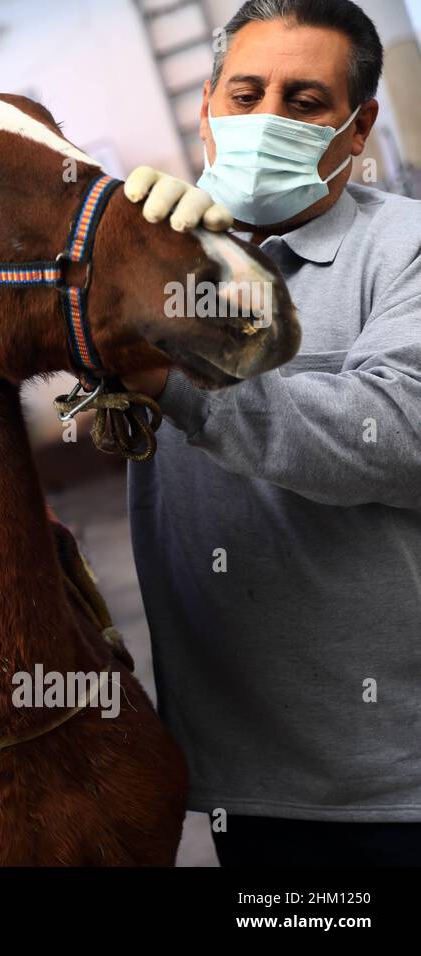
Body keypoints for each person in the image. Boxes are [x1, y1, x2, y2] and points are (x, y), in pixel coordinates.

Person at [118, 0, 421, 865]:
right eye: (244, 94)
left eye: (305, 101)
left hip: (395, 784)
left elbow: (395, 431)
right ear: (206, 107)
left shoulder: (405, 250)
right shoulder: (161, 257)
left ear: (358, 128)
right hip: (238, 778)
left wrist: (171, 373)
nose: (265, 120)